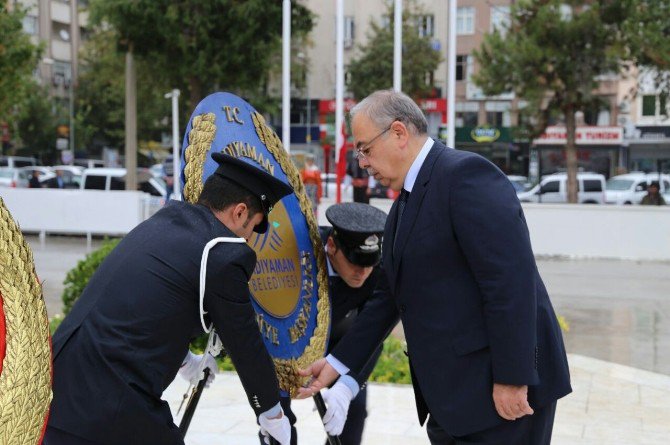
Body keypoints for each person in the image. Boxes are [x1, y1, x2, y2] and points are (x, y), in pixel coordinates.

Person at [297, 90, 572, 445]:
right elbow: (389, 298)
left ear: (398, 133)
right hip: (455, 400)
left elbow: (510, 283)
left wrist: (513, 378)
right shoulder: (401, 208)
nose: (362, 162)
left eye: (365, 148)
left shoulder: (465, 177)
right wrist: (337, 364)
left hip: (500, 395)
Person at [44, 153, 295, 445]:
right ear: (240, 212)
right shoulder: (223, 251)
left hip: (58, 389)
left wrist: (185, 360)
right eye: (253, 227)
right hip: (110, 401)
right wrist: (271, 412)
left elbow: (145, 307)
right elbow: (244, 341)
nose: (249, 238)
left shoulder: (164, 222)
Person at [261, 202, 387, 445]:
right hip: (287, 344)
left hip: (341, 343)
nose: (362, 272)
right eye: (355, 263)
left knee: (354, 409)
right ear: (331, 246)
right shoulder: (295, 254)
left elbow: (373, 332)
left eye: (368, 264)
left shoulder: (375, 271)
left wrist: (348, 385)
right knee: (279, 425)